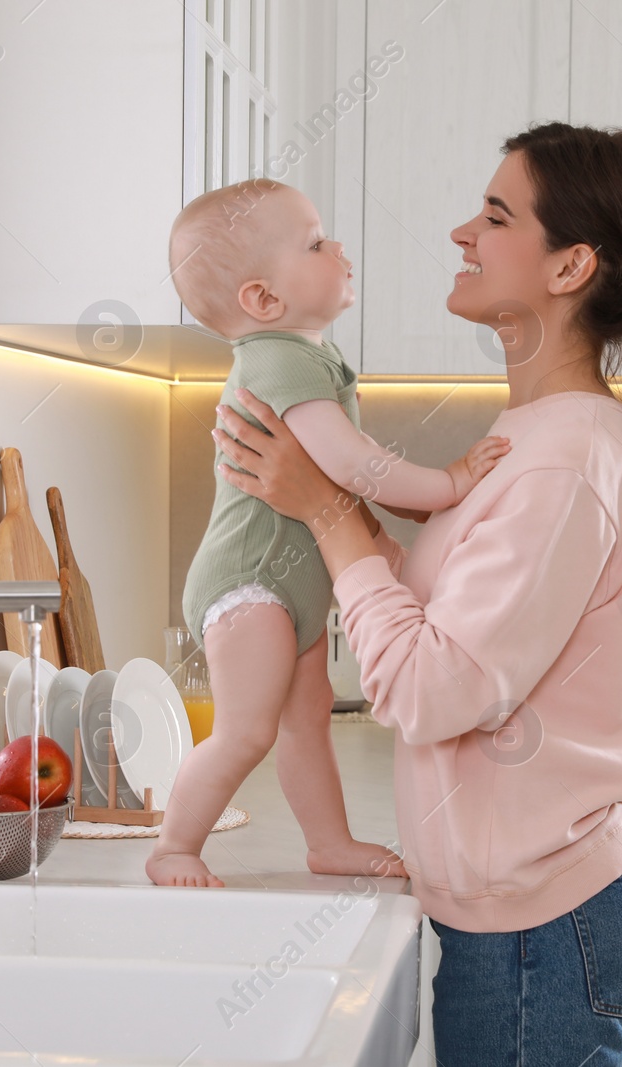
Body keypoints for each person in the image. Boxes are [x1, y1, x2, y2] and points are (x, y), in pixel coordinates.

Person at [207, 122, 622, 1065]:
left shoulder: (563, 461)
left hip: (547, 924)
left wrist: (327, 516)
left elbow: (432, 688)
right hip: (536, 912)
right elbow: (443, 618)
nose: (462, 233)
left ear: (571, 266)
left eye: (495, 215)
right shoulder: (535, 439)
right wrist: (318, 504)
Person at [149, 178, 513, 889]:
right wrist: (450, 482)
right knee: (248, 730)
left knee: (305, 720)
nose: (338, 247)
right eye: (315, 243)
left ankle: (329, 842)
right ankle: (173, 846)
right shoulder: (276, 358)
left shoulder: (303, 356)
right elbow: (351, 464)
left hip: (290, 583)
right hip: (250, 584)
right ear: (263, 300)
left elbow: (340, 480)